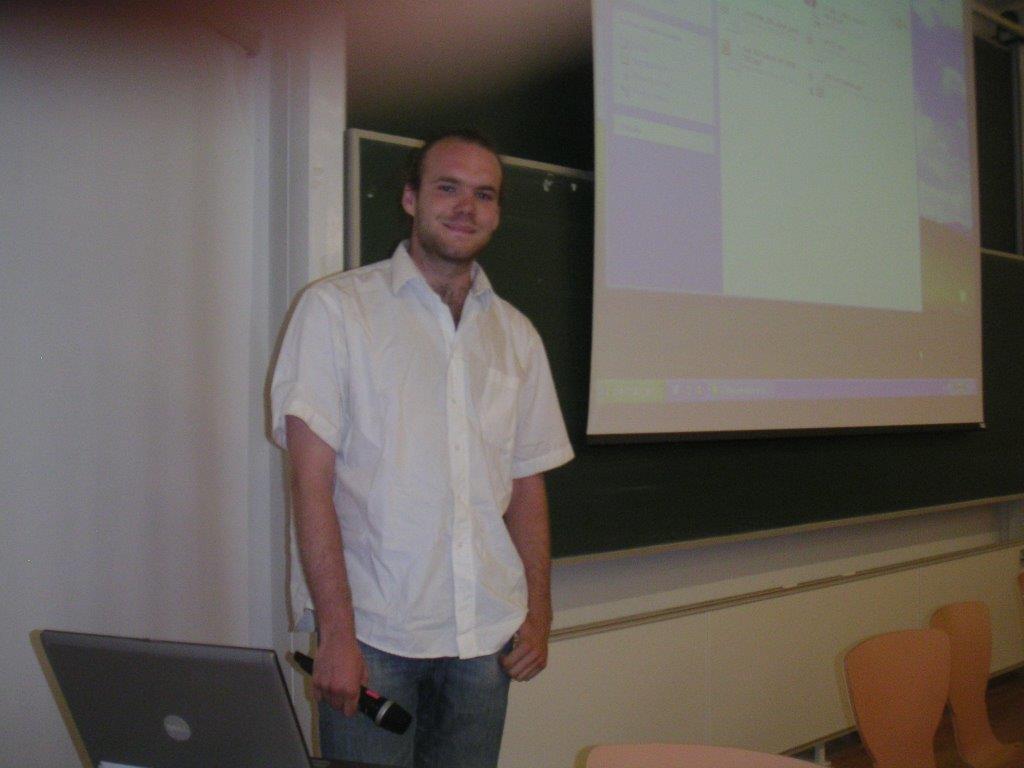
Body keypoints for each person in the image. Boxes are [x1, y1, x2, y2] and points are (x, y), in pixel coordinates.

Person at [269, 129, 574, 768]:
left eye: (484, 194)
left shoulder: (516, 335)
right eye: (448, 188)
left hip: (485, 639)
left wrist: (539, 611)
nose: (466, 207)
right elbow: (310, 484)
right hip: (375, 636)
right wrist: (337, 634)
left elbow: (526, 481)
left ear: (498, 212)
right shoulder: (335, 312)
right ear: (410, 199)